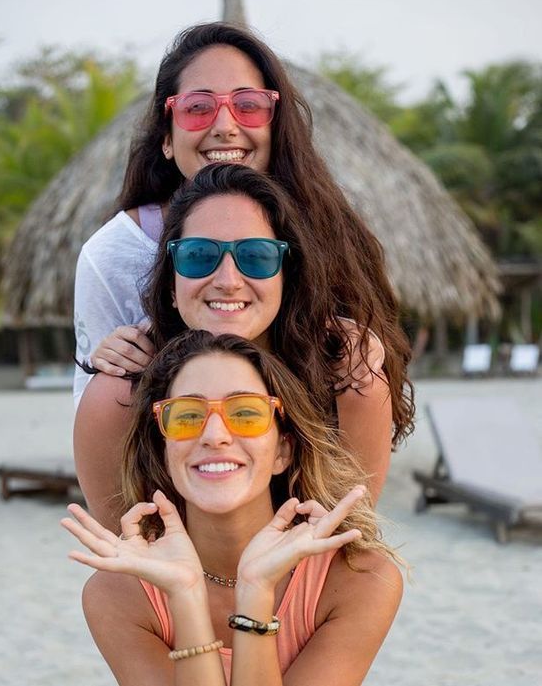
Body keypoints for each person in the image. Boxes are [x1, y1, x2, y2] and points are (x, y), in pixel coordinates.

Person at [73, 21, 413, 434]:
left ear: (276, 125)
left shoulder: (324, 234)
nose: (225, 125)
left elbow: (363, 426)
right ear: (167, 136)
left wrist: (363, 356)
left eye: (248, 104)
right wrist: (109, 364)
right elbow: (97, 421)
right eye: (198, 107)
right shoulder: (114, 254)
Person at [63, 330, 403, 686]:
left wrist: (255, 589)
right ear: (164, 453)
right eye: (186, 416)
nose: (214, 435)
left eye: (245, 413)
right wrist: (185, 593)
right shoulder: (117, 595)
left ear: (282, 451)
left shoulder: (358, 580)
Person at [75, 165, 405, 530]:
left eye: (257, 256)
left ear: (286, 277)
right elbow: (121, 563)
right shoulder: (119, 394)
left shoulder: (350, 381)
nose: (228, 281)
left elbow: (350, 547)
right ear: (171, 284)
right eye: (198, 255)